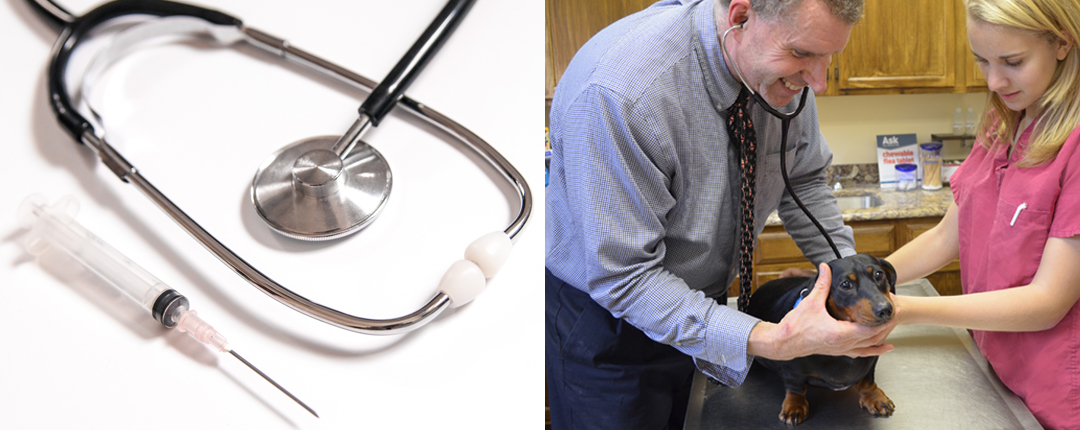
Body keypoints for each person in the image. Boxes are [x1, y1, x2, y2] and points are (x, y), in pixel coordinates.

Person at [545, 0, 897, 428]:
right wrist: (771, 338)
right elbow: (625, 277)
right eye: (803, 53)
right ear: (740, 16)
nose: (818, 82)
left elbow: (802, 178)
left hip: (703, 304)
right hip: (610, 323)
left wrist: (841, 282)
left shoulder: (786, 77)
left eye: (828, 57)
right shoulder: (624, 94)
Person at [886, 0, 1080, 428]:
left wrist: (900, 309)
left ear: (1062, 43)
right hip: (998, 375)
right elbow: (946, 237)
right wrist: (867, 277)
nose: (994, 81)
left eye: (1012, 62)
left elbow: (1048, 302)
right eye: (981, 61)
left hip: (1057, 398)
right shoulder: (1003, 121)